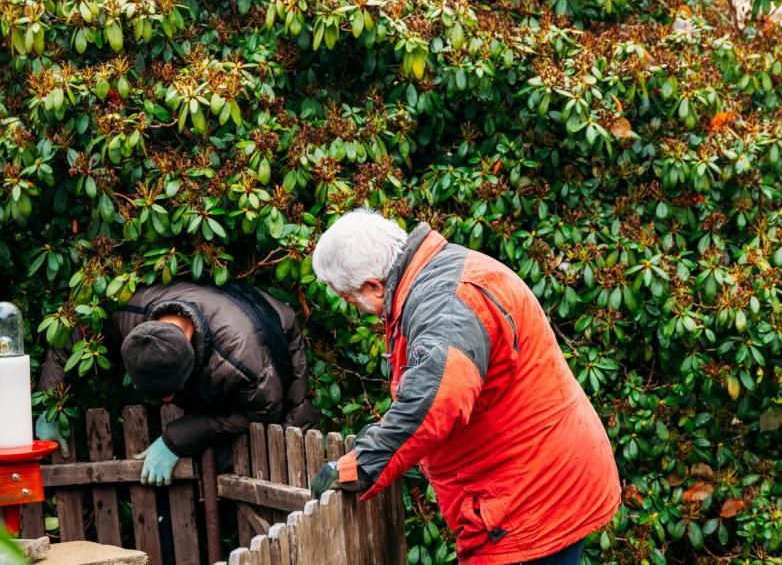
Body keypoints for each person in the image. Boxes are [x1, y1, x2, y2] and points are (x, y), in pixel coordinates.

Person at [309, 210, 621, 565]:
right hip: (540, 478)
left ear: (373, 286)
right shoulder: (437, 274)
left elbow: (435, 399)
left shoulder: (445, 304)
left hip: (529, 497)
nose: (357, 309)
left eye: (352, 299)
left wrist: (362, 466)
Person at [37, 279, 319, 485]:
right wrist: (51, 404)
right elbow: (73, 333)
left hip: (273, 324)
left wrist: (177, 439)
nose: (166, 402)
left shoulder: (243, 364)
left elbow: (262, 413)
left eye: (171, 393)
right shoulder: (127, 314)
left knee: (287, 435)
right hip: (217, 304)